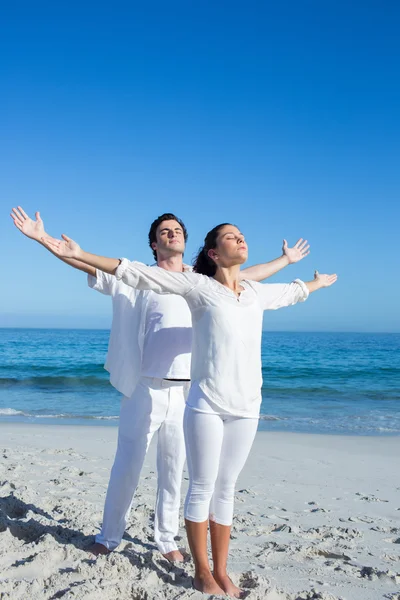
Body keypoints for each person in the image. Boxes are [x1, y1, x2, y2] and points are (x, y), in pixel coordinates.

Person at [39, 223, 336, 597]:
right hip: (151, 386)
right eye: (164, 231)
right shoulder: (171, 282)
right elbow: (116, 270)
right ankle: (111, 536)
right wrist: (68, 250)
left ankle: (168, 541)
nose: (172, 234)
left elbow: (254, 280)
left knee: (176, 472)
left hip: (194, 391)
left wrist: (289, 263)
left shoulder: (211, 282)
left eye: (178, 229)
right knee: (131, 467)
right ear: (154, 242)